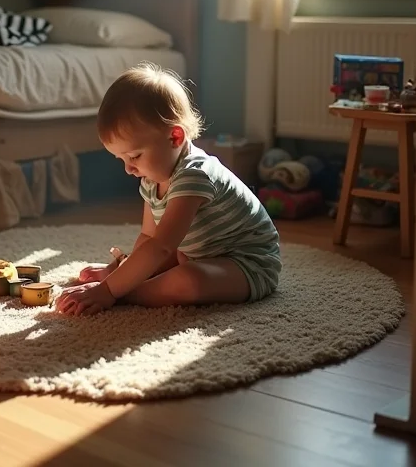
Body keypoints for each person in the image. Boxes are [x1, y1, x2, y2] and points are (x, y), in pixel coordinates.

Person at [54, 64, 282, 317]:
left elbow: (162, 247)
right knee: (162, 257)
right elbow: (149, 240)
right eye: (121, 159)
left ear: (174, 137)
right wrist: (118, 271)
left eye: (134, 156)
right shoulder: (152, 178)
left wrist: (109, 290)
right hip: (199, 255)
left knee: (189, 281)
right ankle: (122, 282)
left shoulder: (194, 175)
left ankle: (127, 293)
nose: (129, 169)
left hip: (246, 266)